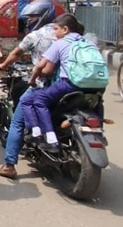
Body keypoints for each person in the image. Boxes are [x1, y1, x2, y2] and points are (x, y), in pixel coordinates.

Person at [0, 0, 58, 179]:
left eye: (32, 17)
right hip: (68, 86)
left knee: (17, 122)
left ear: (42, 17)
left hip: (43, 86)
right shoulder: (65, 32)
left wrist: (3, 65)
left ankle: (9, 165)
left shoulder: (36, 36)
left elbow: (15, 54)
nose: (28, 21)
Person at [20, 14, 89, 153]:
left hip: (69, 84)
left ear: (65, 29)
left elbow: (42, 68)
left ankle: (45, 137)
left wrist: (32, 80)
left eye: (56, 29)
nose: (54, 32)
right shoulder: (87, 42)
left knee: (35, 100)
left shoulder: (60, 43)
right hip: (95, 85)